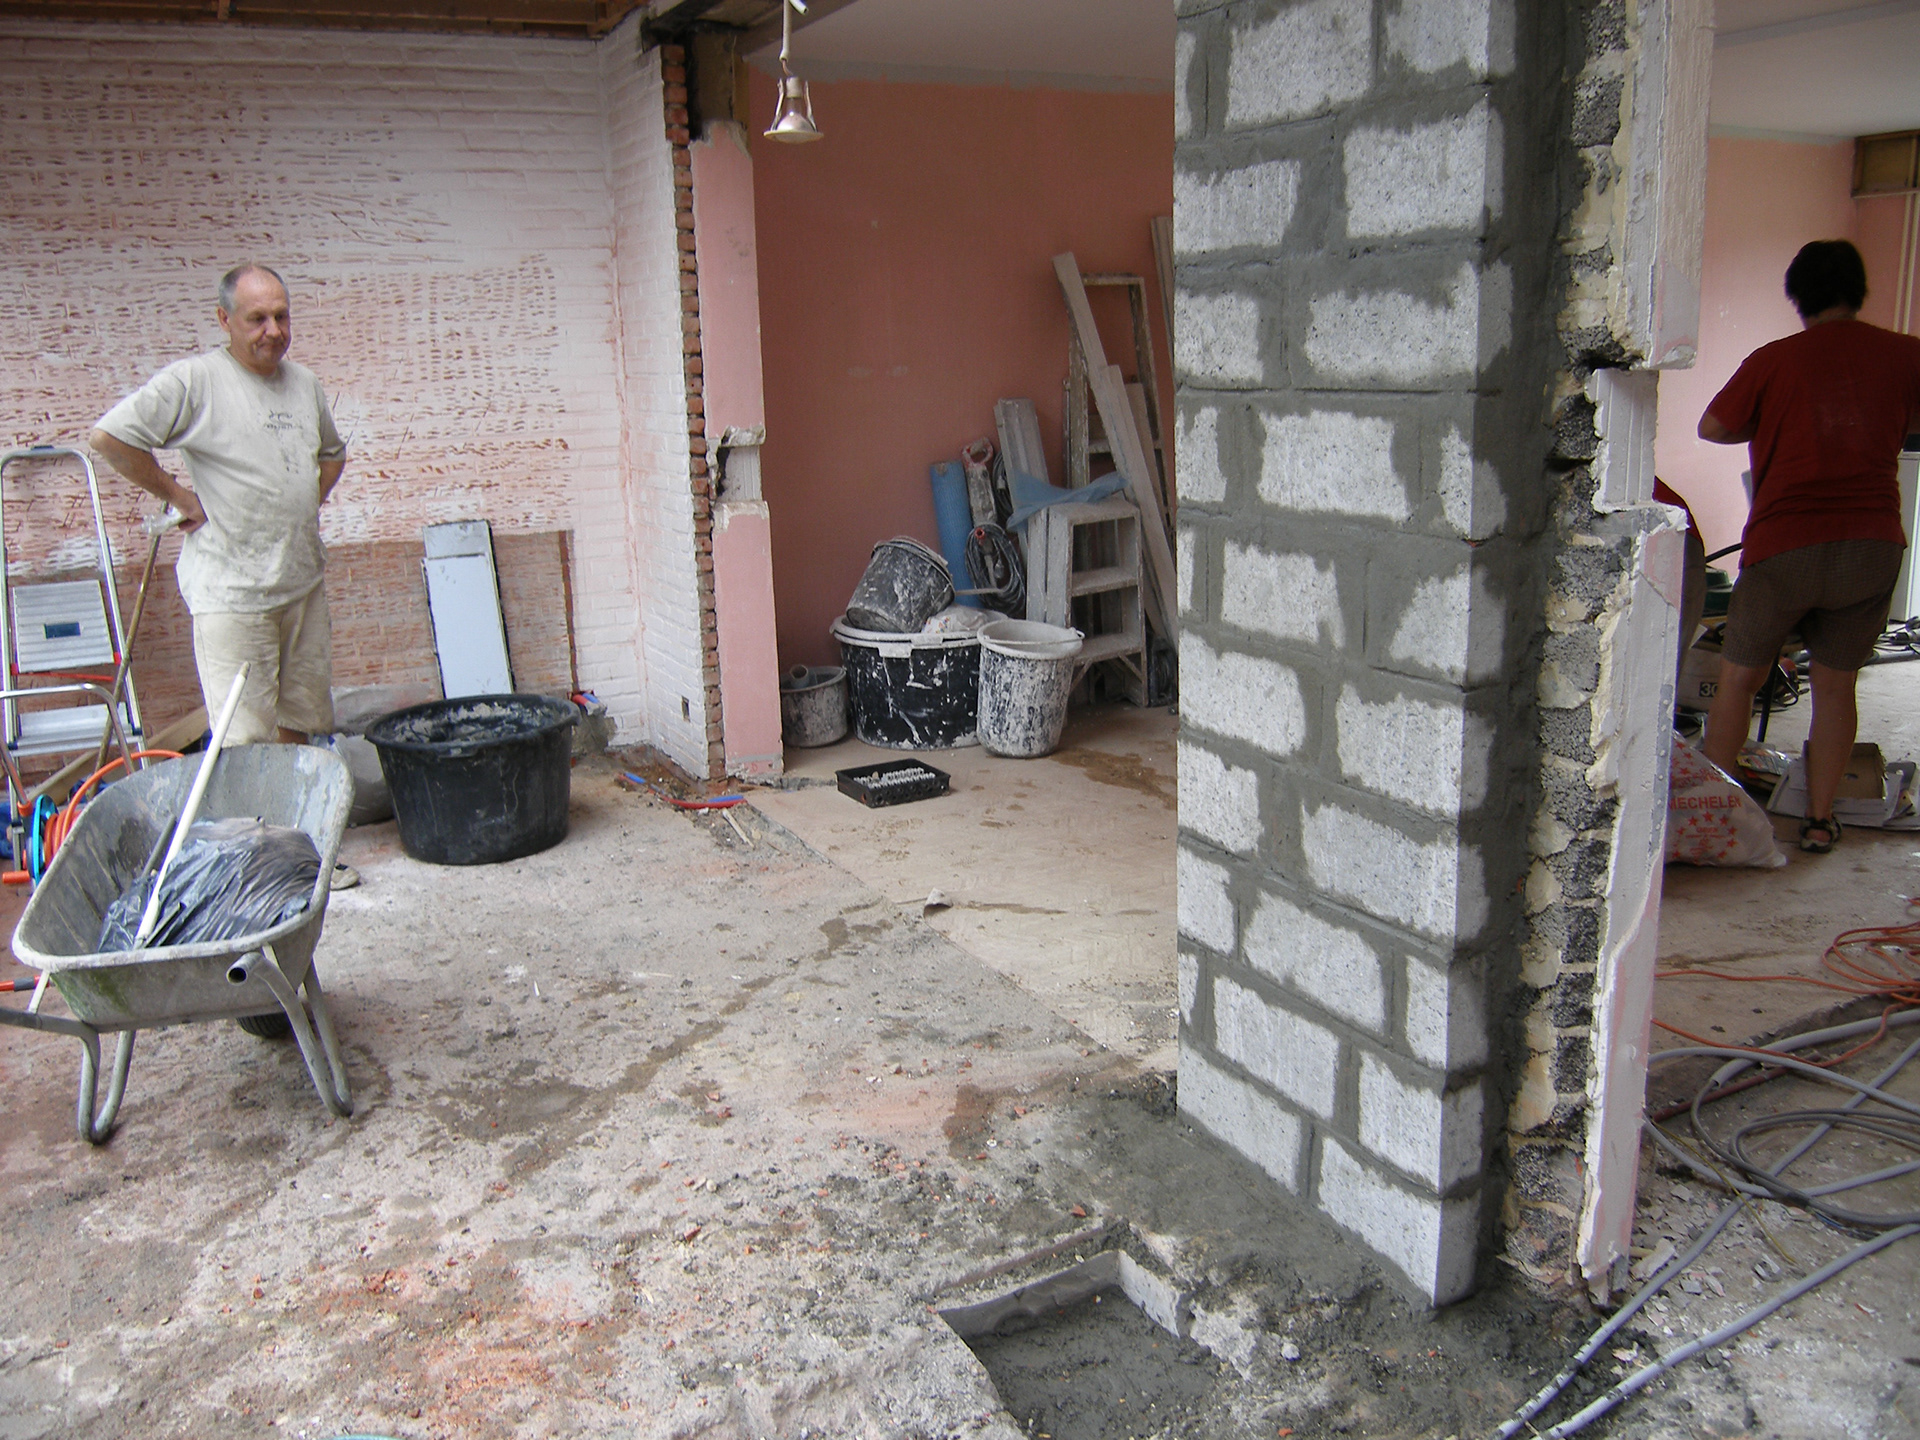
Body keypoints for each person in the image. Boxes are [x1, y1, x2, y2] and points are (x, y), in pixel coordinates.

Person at [89, 263, 359, 887]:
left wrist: (302, 505)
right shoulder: (197, 381)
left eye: (281, 316)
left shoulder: (304, 384)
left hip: (299, 583)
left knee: (300, 728)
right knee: (245, 743)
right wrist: (178, 496)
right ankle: (257, 876)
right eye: (257, 318)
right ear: (224, 320)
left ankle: (301, 860)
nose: (273, 330)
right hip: (232, 594)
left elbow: (331, 454)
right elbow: (111, 438)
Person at [1698, 239, 1920, 853]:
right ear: (1859, 291)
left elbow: (1713, 427)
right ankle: (1821, 821)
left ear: (1797, 297)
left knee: (1739, 679)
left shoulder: (1775, 360)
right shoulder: (1907, 354)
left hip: (1785, 546)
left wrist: (1771, 423)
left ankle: (1720, 819)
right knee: (1835, 685)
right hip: (1871, 546)